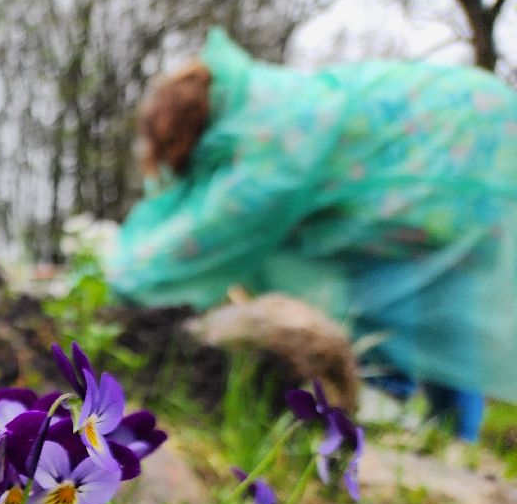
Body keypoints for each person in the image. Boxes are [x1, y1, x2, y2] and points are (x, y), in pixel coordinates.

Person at [107, 29, 517, 440]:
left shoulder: (272, 131)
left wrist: (123, 281)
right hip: (470, 145)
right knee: (436, 314)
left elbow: (222, 225)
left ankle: (411, 422)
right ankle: (445, 435)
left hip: (447, 162)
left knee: (400, 307)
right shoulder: (270, 104)